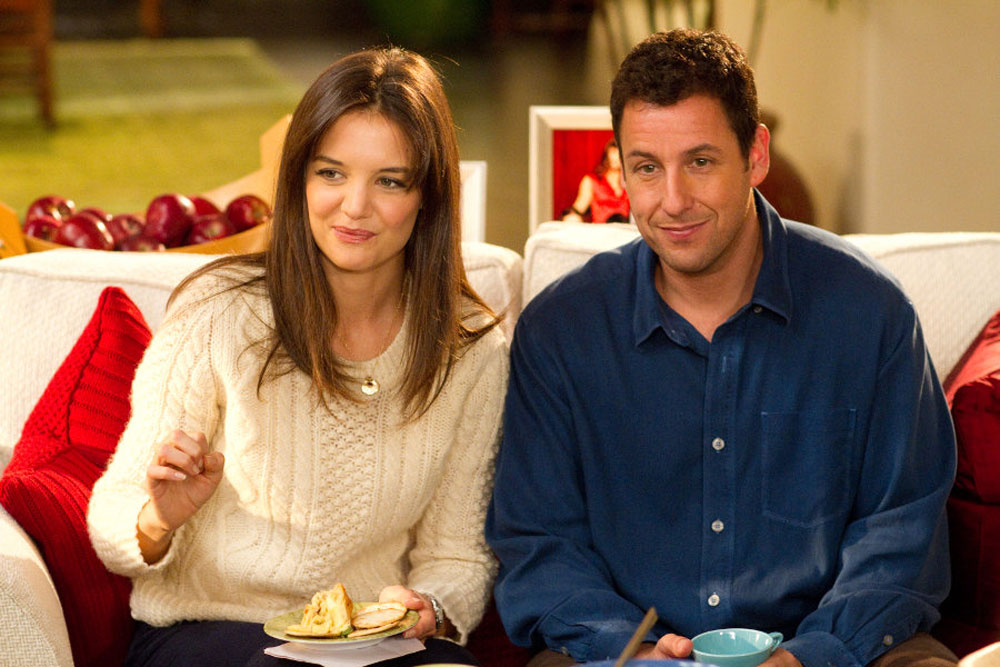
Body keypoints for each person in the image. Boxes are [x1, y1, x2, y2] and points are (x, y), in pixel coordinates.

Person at [486, 28, 957, 667]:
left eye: (701, 162)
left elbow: (901, 535)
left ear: (756, 155)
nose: (673, 201)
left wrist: (809, 655)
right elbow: (539, 543)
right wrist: (632, 648)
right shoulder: (561, 331)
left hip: (830, 650)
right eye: (647, 168)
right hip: (624, 656)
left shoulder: (869, 314)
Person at [87, 46, 509, 667]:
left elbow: (458, 555)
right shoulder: (220, 311)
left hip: (367, 644)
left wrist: (431, 608)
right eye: (331, 173)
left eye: (389, 181)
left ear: (429, 196)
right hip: (209, 631)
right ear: (298, 180)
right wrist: (158, 518)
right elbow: (112, 515)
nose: (355, 206)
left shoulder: (470, 350)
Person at [561, 138, 630, 223]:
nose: (615, 157)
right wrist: (570, 217)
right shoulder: (592, 181)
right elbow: (579, 207)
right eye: (613, 152)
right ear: (607, 154)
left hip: (626, 228)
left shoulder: (630, 183)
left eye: (619, 154)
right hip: (601, 228)